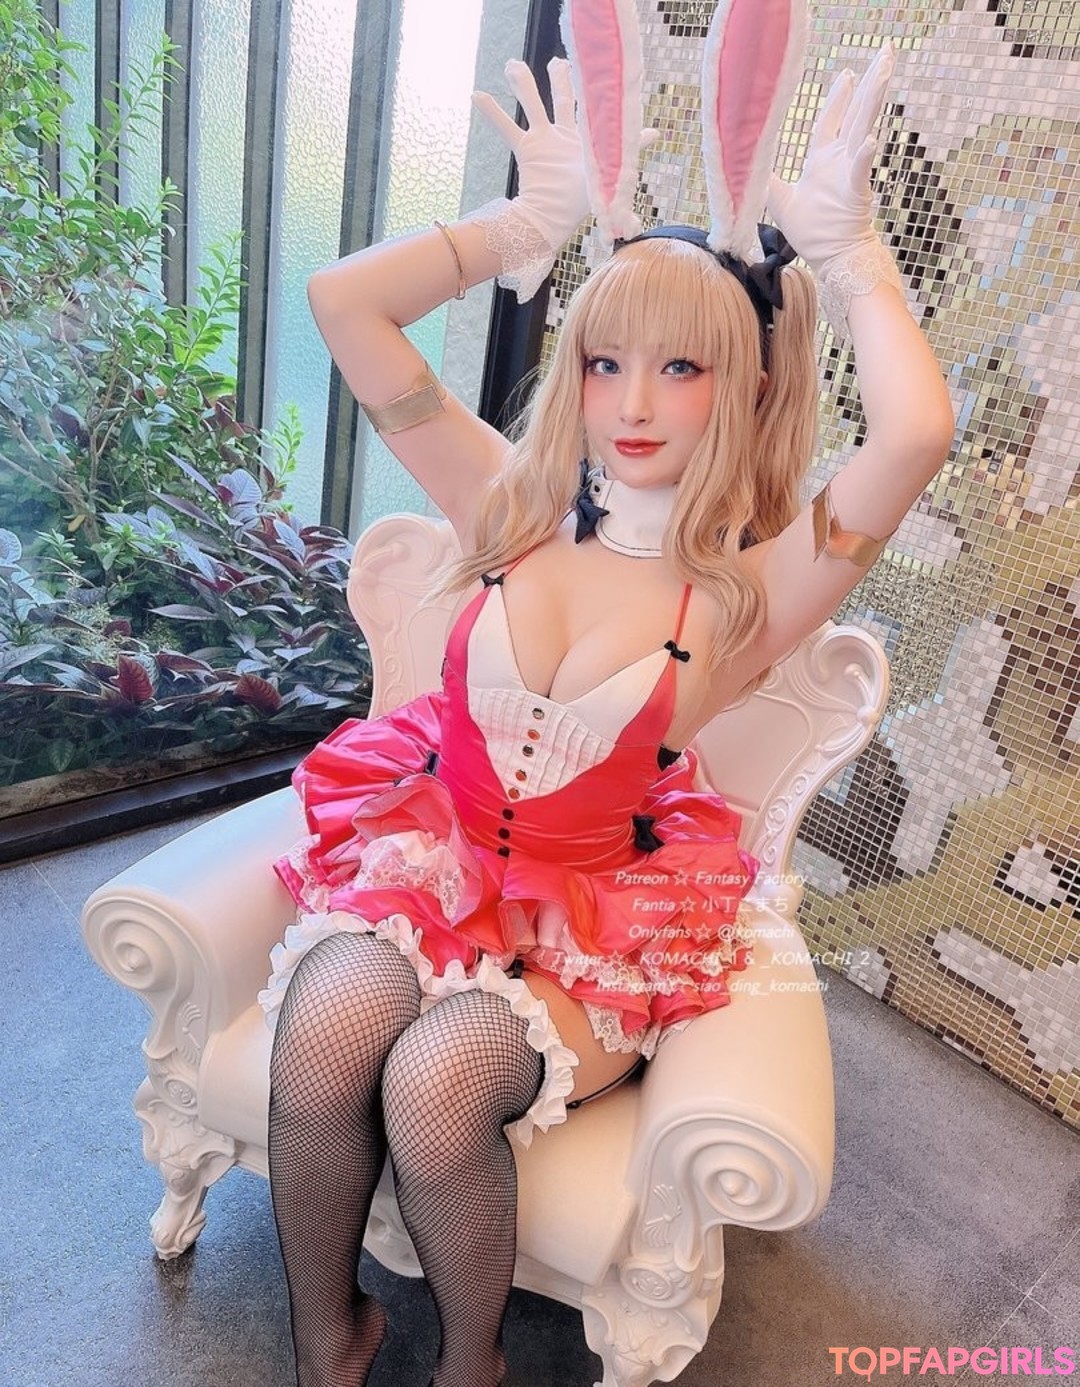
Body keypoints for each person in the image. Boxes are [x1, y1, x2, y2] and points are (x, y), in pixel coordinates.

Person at [259, 30, 954, 1387]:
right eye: (605, 362)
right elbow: (344, 305)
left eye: (683, 369)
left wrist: (853, 254)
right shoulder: (507, 506)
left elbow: (915, 435)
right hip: (436, 859)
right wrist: (520, 228)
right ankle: (325, 1343)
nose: (634, 404)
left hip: (598, 921)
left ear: (747, 385)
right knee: (326, 1033)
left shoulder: (751, 593)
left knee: (438, 1084)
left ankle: (472, 1367)